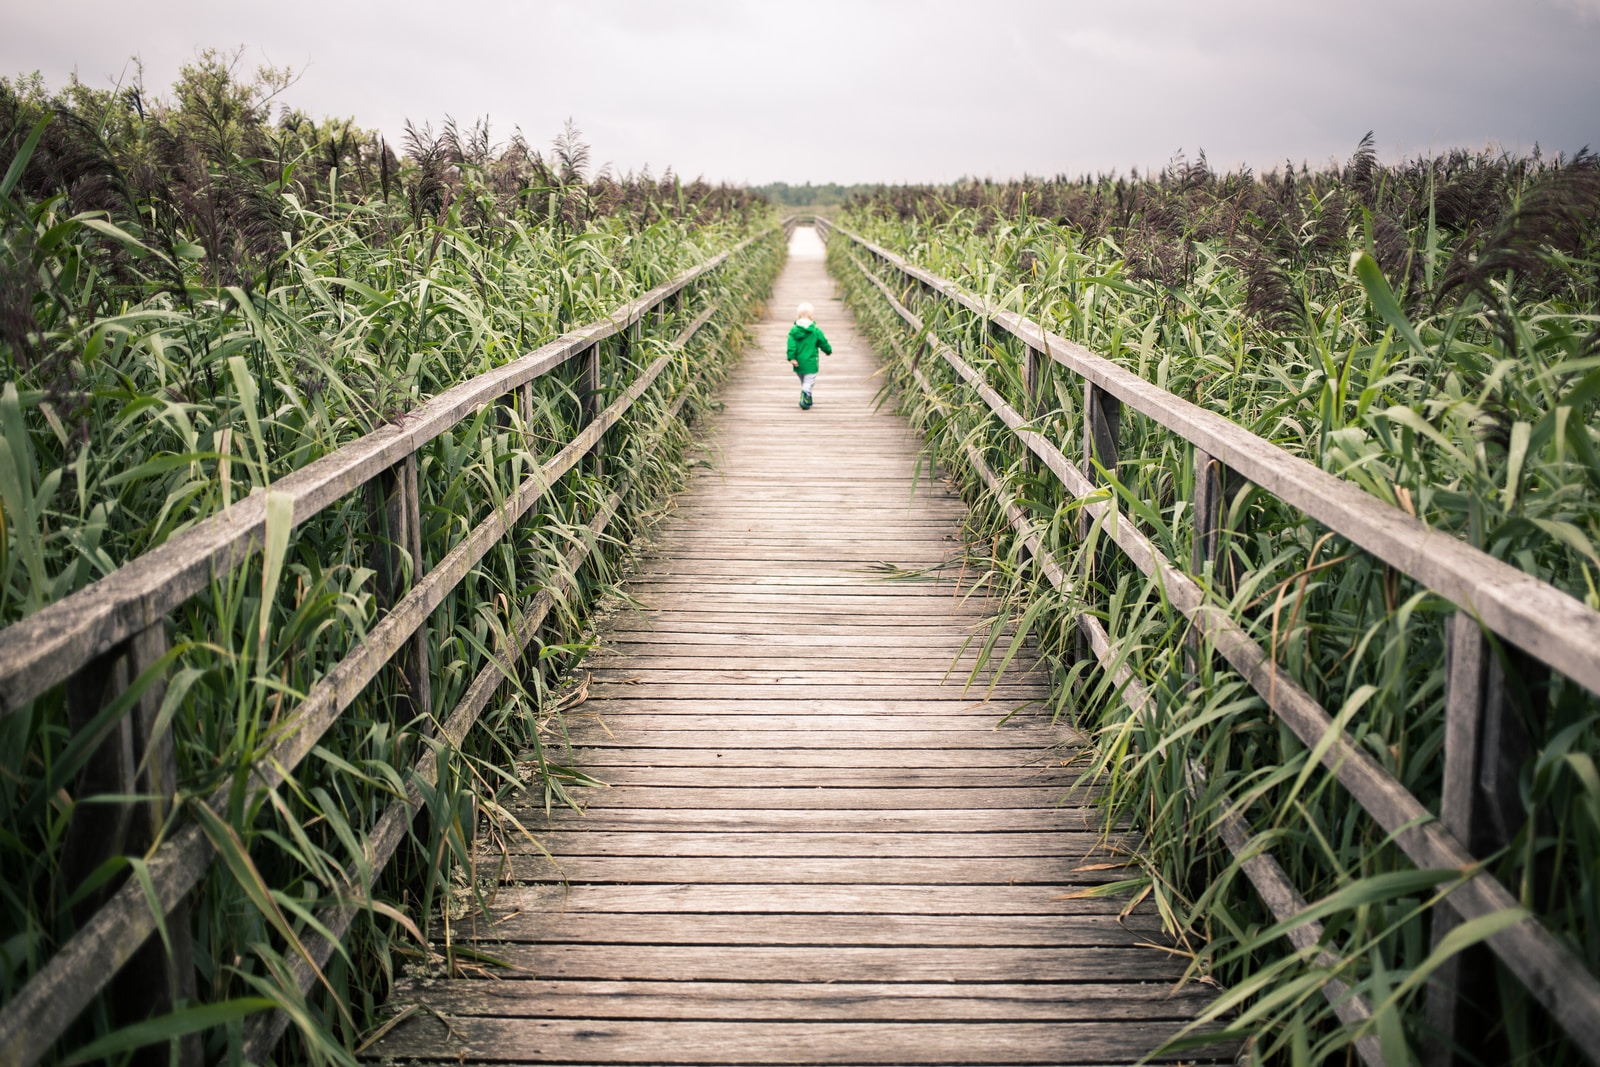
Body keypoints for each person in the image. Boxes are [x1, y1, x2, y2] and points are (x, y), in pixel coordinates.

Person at [785, 302, 832, 410]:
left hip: (798, 363)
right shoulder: (816, 331)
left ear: (797, 316)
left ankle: (807, 397)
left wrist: (791, 357)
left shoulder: (793, 331)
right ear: (812, 316)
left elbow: (791, 345)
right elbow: (823, 342)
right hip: (810, 362)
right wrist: (828, 350)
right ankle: (805, 395)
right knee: (809, 381)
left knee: (804, 381)